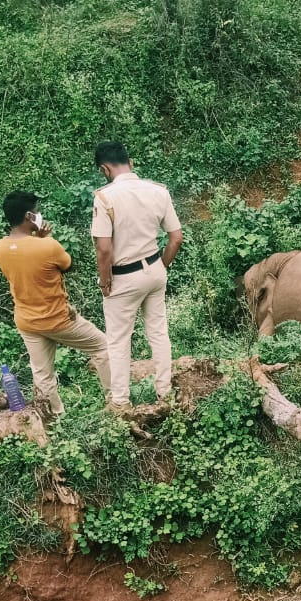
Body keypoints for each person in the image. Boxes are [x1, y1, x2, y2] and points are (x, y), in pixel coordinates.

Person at [0, 191, 111, 416]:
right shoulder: (48, 246)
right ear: (29, 216)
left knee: (42, 374)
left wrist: (37, 239)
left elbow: (26, 262)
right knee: (103, 346)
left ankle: (55, 417)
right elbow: (68, 266)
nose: (39, 214)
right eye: (36, 211)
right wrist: (44, 239)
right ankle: (114, 400)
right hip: (58, 319)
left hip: (27, 321)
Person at [91, 142, 184, 407]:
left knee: (119, 340)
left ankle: (121, 402)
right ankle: (165, 393)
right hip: (154, 269)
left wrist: (105, 280)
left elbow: (104, 250)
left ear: (104, 169)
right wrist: (161, 266)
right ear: (130, 163)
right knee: (158, 332)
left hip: (123, 276)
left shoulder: (105, 198)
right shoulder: (158, 192)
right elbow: (176, 238)